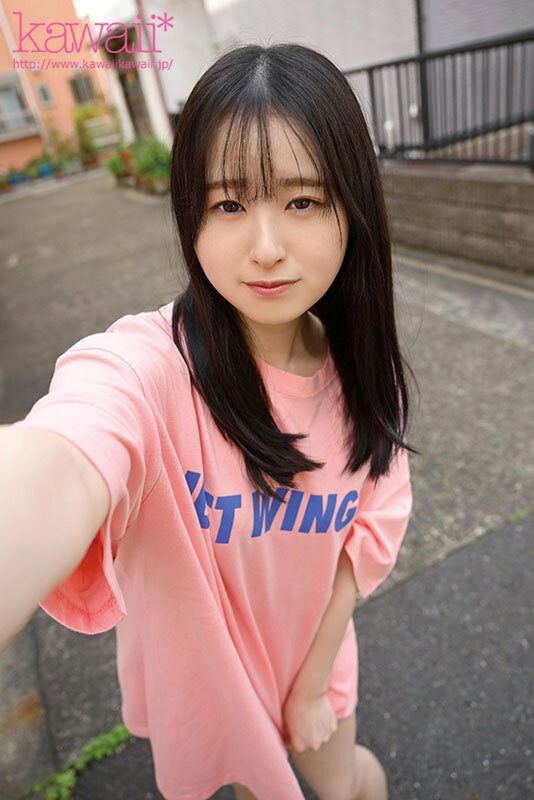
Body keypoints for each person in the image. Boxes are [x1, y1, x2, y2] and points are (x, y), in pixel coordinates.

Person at [0, 42, 418, 800]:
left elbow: (365, 537)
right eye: (228, 205)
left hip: (316, 664)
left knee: (346, 787)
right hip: (214, 687)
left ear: (352, 206)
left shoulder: (364, 375)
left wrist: (312, 682)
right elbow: (66, 452)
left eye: (302, 201)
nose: (266, 249)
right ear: (190, 216)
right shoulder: (151, 369)